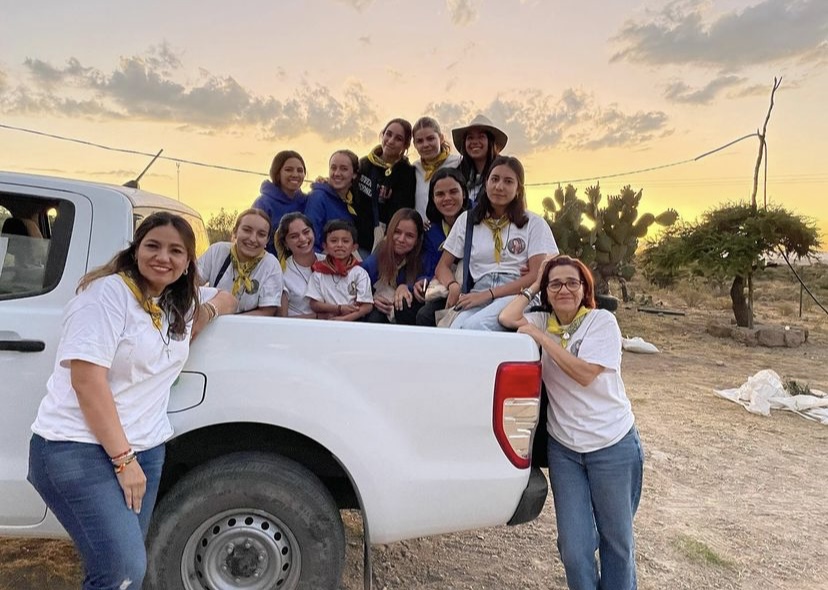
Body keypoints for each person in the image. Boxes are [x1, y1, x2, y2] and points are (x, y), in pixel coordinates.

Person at [27, 212, 236, 590]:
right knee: (121, 571)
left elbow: (227, 298)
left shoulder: (175, 301)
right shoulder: (107, 296)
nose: (163, 257)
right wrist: (125, 462)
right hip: (77, 449)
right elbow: (87, 381)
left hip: (146, 449)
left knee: (123, 568)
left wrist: (211, 309)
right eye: (153, 246)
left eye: (176, 251)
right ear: (135, 249)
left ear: (189, 261)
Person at [498, 254, 643, 590]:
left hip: (612, 445)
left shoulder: (600, 322)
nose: (564, 289)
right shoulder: (539, 317)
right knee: (574, 550)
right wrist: (534, 284)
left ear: (584, 289)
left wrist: (541, 338)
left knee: (616, 543)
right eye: (556, 283)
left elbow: (584, 374)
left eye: (572, 282)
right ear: (547, 292)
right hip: (567, 451)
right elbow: (507, 316)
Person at [434, 155, 557, 331]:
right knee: (454, 329)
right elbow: (442, 267)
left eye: (508, 181)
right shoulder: (468, 220)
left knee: (475, 326)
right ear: (486, 182)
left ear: (518, 189)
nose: (499, 187)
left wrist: (489, 294)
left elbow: (536, 276)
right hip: (479, 290)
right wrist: (453, 286)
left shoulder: (533, 223)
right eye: (495, 179)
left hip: (519, 293)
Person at [197, 208, 283, 316]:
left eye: (261, 234)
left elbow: (267, 311)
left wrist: (228, 323)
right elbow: (190, 282)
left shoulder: (271, 265)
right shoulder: (217, 251)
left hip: (250, 328)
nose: (252, 239)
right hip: (212, 322)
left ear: (267, 240)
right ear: (235, 232)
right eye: (247, 230)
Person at [415, 167, 470, 326]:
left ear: (464, 193)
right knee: (411, 308)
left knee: (427, 316)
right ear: (432, 198)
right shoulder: (431, 230)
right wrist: (422, 280)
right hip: (445, 287)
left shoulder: (479, 219)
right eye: (440, 194)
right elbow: (431, 266)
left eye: (453, 192)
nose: (447, 198)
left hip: (476, 288)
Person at [353, 118, 416, 255]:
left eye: (398, 138)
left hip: (382, 246)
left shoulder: (406, 173)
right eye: (388, 134)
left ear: (405, 146)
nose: (391, 140)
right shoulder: (364, 163)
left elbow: (401, 213)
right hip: (355, 242)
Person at [361, 208, 426, 325]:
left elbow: (429, 278)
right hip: (381, 311)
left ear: (417, 240)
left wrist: (407, 287)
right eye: (397, 232)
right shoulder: (375, 260)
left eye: (409, 236)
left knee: (404, 304)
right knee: (375, 317)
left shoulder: (422, 259)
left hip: (408, 314)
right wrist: (371, 300)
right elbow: (356, 290)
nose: (401, 239)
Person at [306, 220, 373, 321]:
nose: (340, 245)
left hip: (354, 323)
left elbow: (367, 306)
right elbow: (314, 304)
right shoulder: (318, 273)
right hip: (326, 323)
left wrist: (345, 319)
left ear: (354, 247)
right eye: (333, 241)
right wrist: (338, 309)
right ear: (325, 246)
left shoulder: (359, 273)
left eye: (345, 241)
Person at [252, 150, 307, 254]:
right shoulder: (263, 203)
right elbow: (254, 238)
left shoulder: (308, 201)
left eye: (300, 170)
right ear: (277, 173)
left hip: (303, 267)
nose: (295, 174)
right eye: (288, 170)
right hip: (271, 266)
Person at [305, 150, 360, 253]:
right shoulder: (318, 197)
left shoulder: (352, 201)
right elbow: (310, 239)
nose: (337, 173)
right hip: (322, 262)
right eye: (333, 168)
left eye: (344, 169)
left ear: (354, 174)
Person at [274, 212, 325, 318]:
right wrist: (317, 317)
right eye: (294, 236)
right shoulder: (281, 272)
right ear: (285, 244)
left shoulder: (329, 261)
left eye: (306, 232)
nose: (302, 238)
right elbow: (281, 320)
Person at [411, 117, 461, 219]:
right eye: (420, 141)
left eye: (430, 139)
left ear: (441, 138)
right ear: (415, 145)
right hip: (420, 232)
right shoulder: (413, 169)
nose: (425, 145)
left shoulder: (458, 163)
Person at [452, 114, 508, 205]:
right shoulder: (458, 174)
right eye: (470, 138)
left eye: (481, 137)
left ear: (490, 142)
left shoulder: (504, 170)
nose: (475, 142)